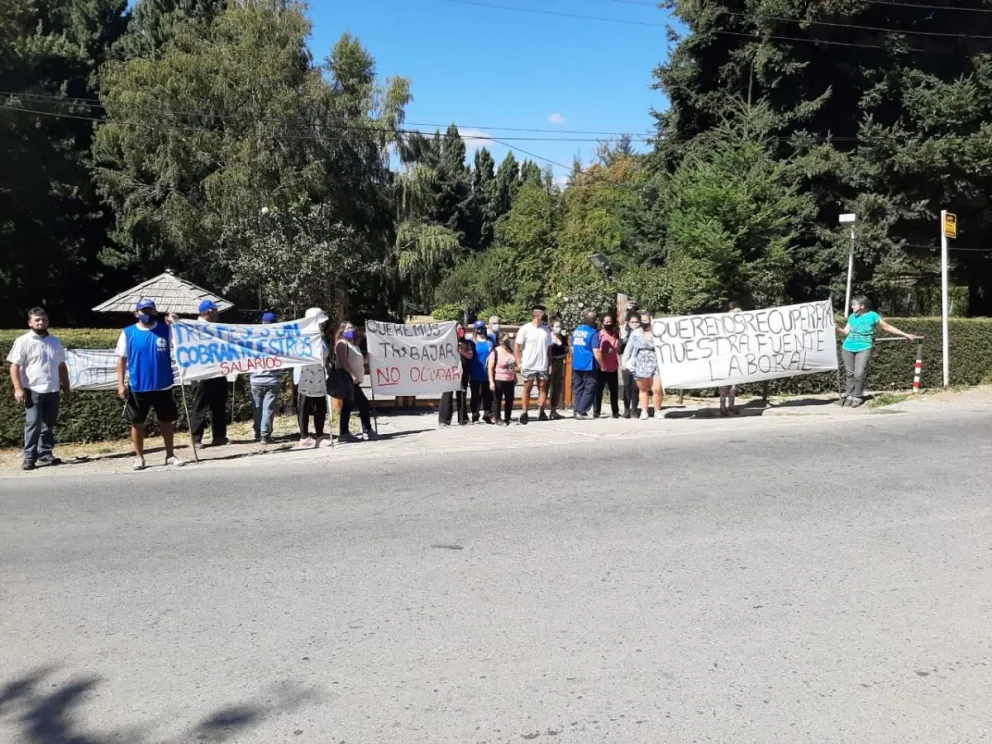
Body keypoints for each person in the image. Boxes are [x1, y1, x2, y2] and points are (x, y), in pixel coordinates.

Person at [115, 299, 184, 470]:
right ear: (136, 313)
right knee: (137, 423)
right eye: (143, 311)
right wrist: (121, 384)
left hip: (163, 385)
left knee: (166, 422)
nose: (147, 314)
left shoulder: (165, 329)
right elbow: (121, 360)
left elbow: (182, 343)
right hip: (139, 385)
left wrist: (176, 324)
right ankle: (139, 457)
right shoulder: (128, 332)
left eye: (150, 310)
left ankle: (170, 455)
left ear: (155, 312)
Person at [7, 307, 71, 471]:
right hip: (32, 389)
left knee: (48, 424)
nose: (41, 322)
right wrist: (18, 388)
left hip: (53, 388)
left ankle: (45, 454)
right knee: (33, 423)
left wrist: (66, 386)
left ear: (47, 321)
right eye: (37, 320)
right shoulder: (23, 341)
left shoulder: (55, 341)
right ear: (30, 323)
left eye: (43, 319)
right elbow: (14, 366)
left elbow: (61, 365)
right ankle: (29, 456)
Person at [838, 295, 916, 407]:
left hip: (864, 347)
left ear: (862, 306)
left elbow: (887, 327)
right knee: (849, 373)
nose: (852, 307)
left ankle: (857, 396)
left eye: (854, 305)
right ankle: (849, 395)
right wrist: (837, 328)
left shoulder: (872, 316)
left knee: (859, 373)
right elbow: (845, 332)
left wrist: (905, 334)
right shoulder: (852, 317)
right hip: (847, 347)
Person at [189, 299, 229, 448]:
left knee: (219, 405)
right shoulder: (192, 327)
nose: (217, 314)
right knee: (200, 406)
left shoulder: (217, 327)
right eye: (214, 311)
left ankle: (219, 436)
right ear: (207, 312)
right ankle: (196, 438)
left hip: (217, 370)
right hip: (201, 372)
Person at [294, 307, 329, 447]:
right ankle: (304, 436)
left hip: (319, 375)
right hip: (305, 374)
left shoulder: (320, 336)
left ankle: (319, 435)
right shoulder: (303, 336)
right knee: (304, 404)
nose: (322, 325)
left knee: (320, 405)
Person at [336, 320, 376, 442]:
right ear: (342, 331)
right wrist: (352, 375)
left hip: (353, 380)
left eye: (352, 327)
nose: (351, 330)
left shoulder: (353, 345)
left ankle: (345, 432)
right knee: (362, 403)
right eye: (348, 328)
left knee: (348, 405)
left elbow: (359, 360)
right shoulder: (342, 344)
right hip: (348, 379)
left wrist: (368, 358)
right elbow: (343, 361)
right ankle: (366, 429)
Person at [514, 306, 553, 425]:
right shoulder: (525, 329)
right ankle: (524, 412)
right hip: (528, 364)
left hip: (542, 364)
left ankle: (541, 411)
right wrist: (518, 362)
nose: (544, 315)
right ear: (536, 314)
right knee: (528, 387)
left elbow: (549, 348)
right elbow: (517, 346)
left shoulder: (546, 330)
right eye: (542, 313)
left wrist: (549, 364)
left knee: (542, 387)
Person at [622, 311, 663, 421]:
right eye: (642, 320)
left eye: (646, 320)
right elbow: (629, 348)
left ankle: (658, 411)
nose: (644, 322)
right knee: (643, 389)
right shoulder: (635, 333)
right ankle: (644, 411)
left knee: (657, 389)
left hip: (656, 362)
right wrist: (624, 363)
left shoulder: (658, 332)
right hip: (640, 362)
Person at [250, 312, 282, 444]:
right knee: (268, 408)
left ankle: (258, 433)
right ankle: (265, 435)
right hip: (272, 380)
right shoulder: (279, 341)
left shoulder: (253, 339)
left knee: (257, 408)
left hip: (256, 380)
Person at [439, 323, 473, 426]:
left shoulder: (466, 343)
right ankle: (444, 420)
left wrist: (461, 351)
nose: (461, 331)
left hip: (463, 371)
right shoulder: (447, 342)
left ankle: (463, 419)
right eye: (458, 329)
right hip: (449, 372)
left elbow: (470, 355)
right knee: (447, 395)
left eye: (462, 329)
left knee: (462, 394)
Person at [570, 310, 600, 419]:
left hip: (576, 364)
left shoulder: (576, 331)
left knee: (578, 388)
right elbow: (596, 351)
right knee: (590, 387)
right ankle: (581, 410)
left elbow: (572, 348)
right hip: (588, 364)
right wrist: (601, 364)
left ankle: (576, 410)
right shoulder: (593, 333)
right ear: (593, 320)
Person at [593, 315, 620, 419]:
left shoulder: (616, 334)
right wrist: (604, 352)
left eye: (610, 321)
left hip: (613, 366)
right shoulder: (599, 335)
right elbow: (595, 350)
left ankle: (615, 412)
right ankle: (596, 411)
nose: (609, 324)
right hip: (601, 367)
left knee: (614, 391)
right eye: (607, 322)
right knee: (598, 391)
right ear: (602, 323)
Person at [719, 302, 743, 417]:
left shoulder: (740, 329)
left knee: (734, 385)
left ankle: (731, 405)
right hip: (724, 360)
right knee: (723, 384)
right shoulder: (722, 328)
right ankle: (722, 406)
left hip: (735, 360)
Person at [488, 333, 518, 426]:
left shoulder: (510, 351)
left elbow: (512, 365)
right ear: (500, 341)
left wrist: (515, 376)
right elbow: (490, 368)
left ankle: (508, 418)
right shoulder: (495, 352)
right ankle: (497, 418)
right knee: (497, 400)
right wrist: (491, 382)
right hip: (499, 379)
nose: (508, 341)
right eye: (506, 340)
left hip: (510, 379)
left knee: (509, 400)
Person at [469, 320, 495, 424]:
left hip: (487, 372)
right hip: (475, 371)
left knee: (488, 395)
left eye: (483, 327)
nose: (482, 330)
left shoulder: (491, 340)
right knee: (476, 395)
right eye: (479, 328)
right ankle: (475, 415)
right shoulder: (471, 341)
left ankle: (487, 414)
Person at [619, 311, 642, 419]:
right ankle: (626, 410)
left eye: (636, 322)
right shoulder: (626, 333)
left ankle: (634, 410)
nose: (634, 324)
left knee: (635, 388)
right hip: (626, 364)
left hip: (638, 364)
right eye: (632, 322)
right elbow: (619, 350)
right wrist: (622, 338)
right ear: (628, 323)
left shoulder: (641, 332)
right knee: (626, 387)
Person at [548, 317, 569, 420]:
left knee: (557, 387)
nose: (558, 328)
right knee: (546, 387)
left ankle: (553, 410)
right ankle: (541, 410)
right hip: (550, 363)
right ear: (552, 327)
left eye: (560, 326)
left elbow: (566, 349)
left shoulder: (563, 338)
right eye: (556, 326)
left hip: (560, 363)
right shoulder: (548, 337)